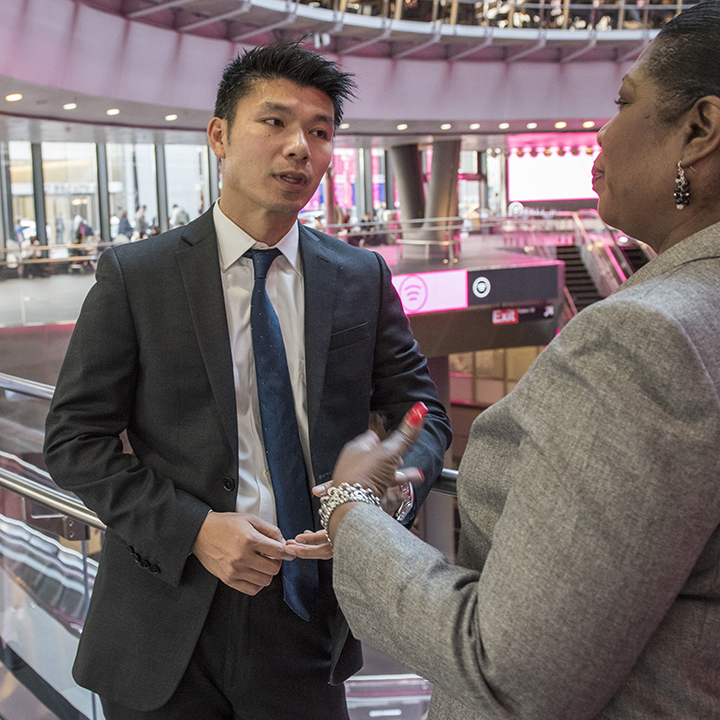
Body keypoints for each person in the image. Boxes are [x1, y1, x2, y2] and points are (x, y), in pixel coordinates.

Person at [321, 4, 720, 718]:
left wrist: (352, 510)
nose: (603, 129)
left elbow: (509, 671)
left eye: (624, 102)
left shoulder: (645, 340)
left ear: (700, 130)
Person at [43, 41, 451, 720]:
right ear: (219, 137)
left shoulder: (359, 278)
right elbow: (73, 442)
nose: (300, 147)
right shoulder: (136, 278)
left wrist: (393, 491)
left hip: (307, 614)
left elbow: (420, 414)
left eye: (319, 132)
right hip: (166, 617)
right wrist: (195, 528)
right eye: (275, 122)